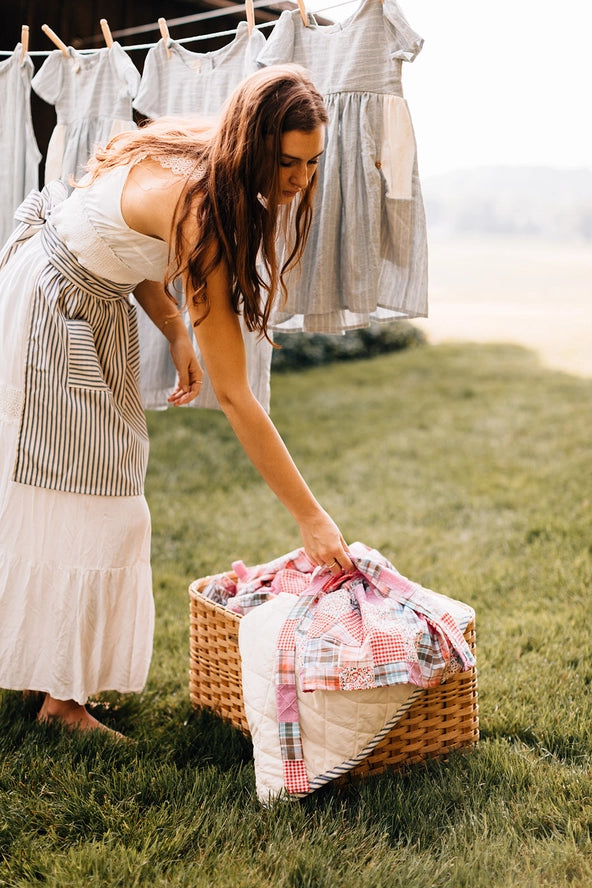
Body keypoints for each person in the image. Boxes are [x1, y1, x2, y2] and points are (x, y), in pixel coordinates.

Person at [0, 64, 354, 735]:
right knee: (90, 499)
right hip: (51, 317)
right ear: (251, 144)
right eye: (285, 162)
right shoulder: (203, 211)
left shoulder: (196, 150)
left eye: (312, 163)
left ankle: (45, 676)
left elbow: (112, 239)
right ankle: (60, 703)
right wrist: (312, 519)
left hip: (62, 294)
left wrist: (172, 327)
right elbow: (236, 396)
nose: (299, 181)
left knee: (73, 489)